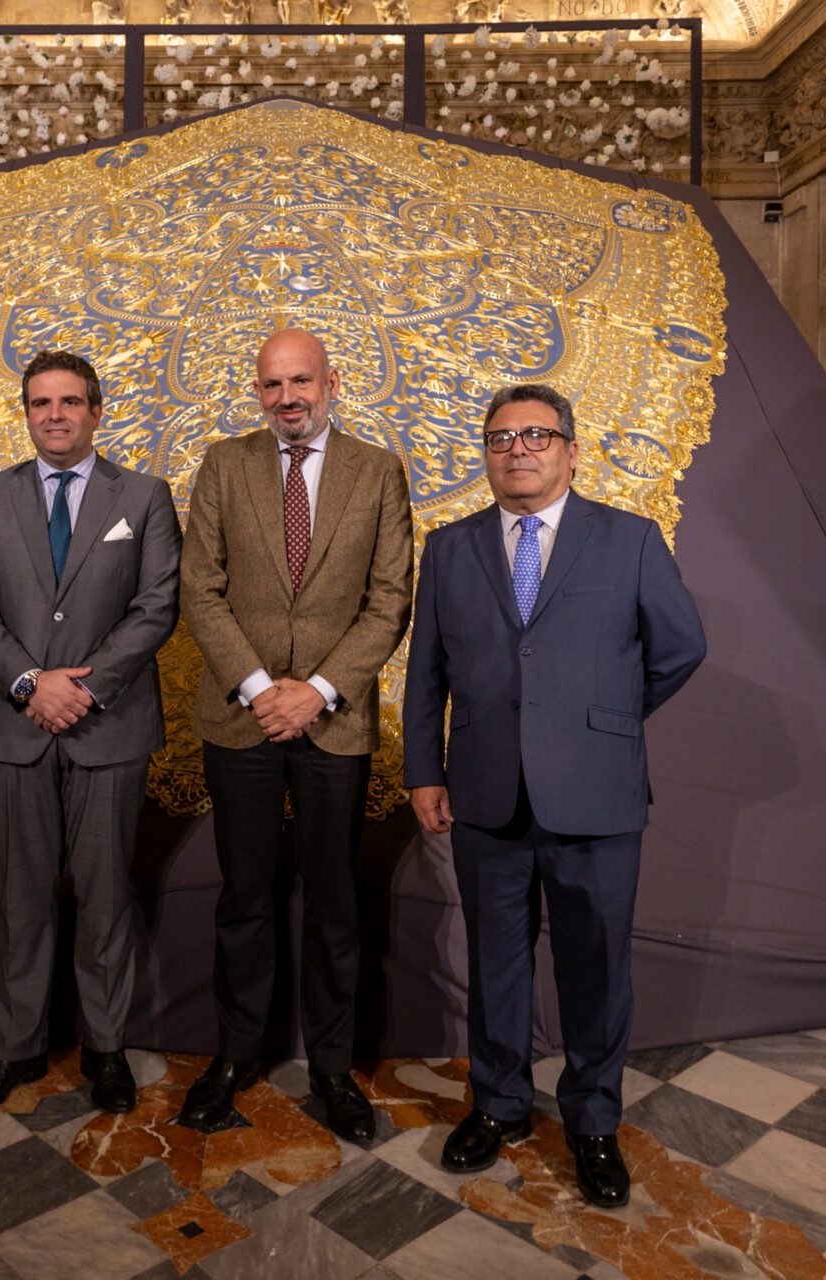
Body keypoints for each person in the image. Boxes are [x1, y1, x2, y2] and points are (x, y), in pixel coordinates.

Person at [401, 383, 705, 1206]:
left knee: (596, 969)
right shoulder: (451, 548)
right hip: (485, 797)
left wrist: (603, 720)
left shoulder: (631, 539)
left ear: (572, 449)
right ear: (487, 455)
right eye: (501, 438)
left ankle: (594, 1121)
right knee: (495, 964)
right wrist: (423, 770)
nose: (519, 449)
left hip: (596, 796)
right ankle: (497, 1107)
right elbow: (426, 673)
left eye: (537, 435)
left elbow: (681, 647)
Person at [175, 328, 414, 1143]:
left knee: (334, 906)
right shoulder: (223, 464)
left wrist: (313, 693)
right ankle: (235, 1059)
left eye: (301, 381)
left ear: (332, 382)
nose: (288, 398)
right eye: (273, 385)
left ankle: (334, 1070)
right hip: (237, 719)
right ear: (259, 392)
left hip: (334, 722)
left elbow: (390, 601)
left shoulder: (379, 472)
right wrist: (258, 689)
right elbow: (199, 591)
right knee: (244, 900)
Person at [0, 350, 181, 1115]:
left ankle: (106, 1051)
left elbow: (156, 606)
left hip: (107, 725)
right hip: (12, 725)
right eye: (40, 402)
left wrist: (82, 691)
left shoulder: (143, 497)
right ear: (26, 411)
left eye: (70, 402)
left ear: (96, 411)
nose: (55, 414)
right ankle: (14, 1050)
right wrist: (28, 686)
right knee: (22, 895)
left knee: (108, 895)